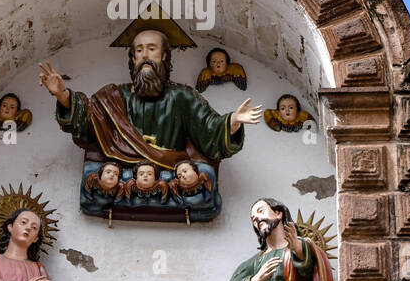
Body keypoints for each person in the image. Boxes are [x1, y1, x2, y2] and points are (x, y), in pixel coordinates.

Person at [38, 28, 261, 175]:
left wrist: (233, 120)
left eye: (151, 49)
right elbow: (86, 122)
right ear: (133, 58)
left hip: (173, 171)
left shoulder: (182, 96)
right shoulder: (113, 97)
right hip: (121, 175)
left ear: (164, 56)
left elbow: (209, 131)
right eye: (139, 50)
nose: (145, 55)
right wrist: (62, 95)